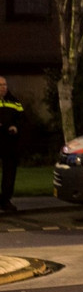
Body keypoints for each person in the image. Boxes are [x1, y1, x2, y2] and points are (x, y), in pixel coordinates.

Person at [0, 76, 23, 213]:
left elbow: (22, 119)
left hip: (9, 142)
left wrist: (16, 127)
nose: (4, 87)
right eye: (1, 85)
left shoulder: (14, 101)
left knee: (9, 172)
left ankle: (5, 200)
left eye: (5, 85)